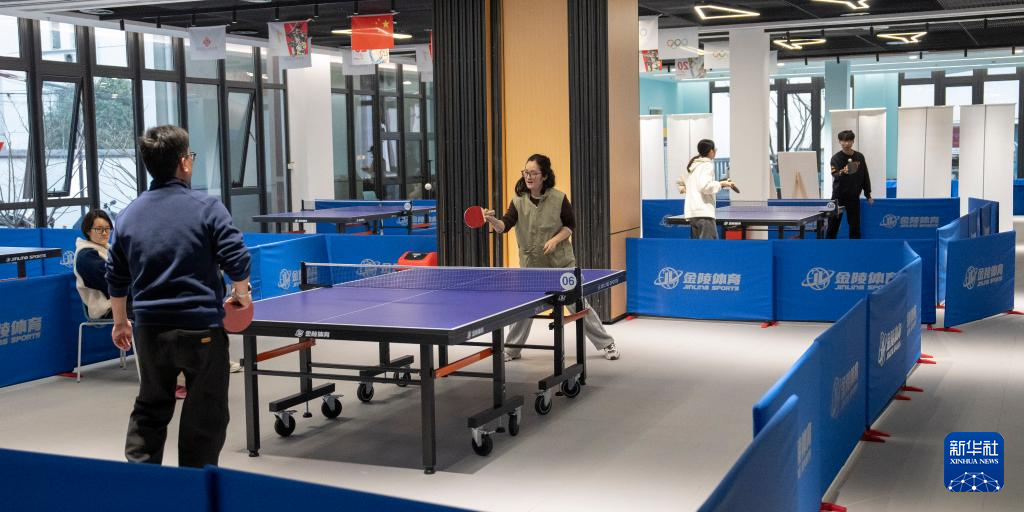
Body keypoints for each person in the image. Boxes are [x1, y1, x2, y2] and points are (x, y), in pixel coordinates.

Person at [106, 125, 252, 468]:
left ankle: (143, 483)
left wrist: (120, 322)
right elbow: (237, 259)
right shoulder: (206, 207)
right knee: (205, 413)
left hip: (149, 330)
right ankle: (194, 486)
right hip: (200, 327)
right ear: (184, 162)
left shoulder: (127, 215)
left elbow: (116, 276)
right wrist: (241, 294)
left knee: (150, 407)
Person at [482, 154, 620, 361]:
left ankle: (607, 343)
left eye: (533, 173)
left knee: (578, 305)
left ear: (544, 175)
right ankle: (511, 349)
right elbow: (504, 226)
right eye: (526, 172)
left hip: (560, 266)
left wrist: (555, 240)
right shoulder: (518, 201)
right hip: (532, 267)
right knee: (523, 308)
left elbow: (570, 226)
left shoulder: (559, 198)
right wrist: (492, 220)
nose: (528, 177)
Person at [682, 139, 734, 239]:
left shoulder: (695, 166)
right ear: (711, 151)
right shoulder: (707, 165)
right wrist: (721, 184)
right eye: (715, 149)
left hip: (693, 214)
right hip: (704, 214)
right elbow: (705, 187)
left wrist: (720, 184)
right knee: (710, 247)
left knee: (698, 247)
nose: (715, 151)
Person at [826, 130, 873, 239]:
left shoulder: (860, 157)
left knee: (855, 227)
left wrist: (868, 194)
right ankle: (828, 246)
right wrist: (843, 172)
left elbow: (865, 175)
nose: (846, 143)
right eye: (843, 141)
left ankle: (855, 247)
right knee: (832, 226)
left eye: (849, 141)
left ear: (853, 141)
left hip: (853, 197)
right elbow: (835, 174)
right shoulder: (835, 158)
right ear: (839, 142)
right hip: (838, 197)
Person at [74, 209, 115, 319]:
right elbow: (113, 284)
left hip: (121, 300)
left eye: (107, 229)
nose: (104, 233)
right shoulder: (86, 256)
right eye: (99, 229)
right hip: (108, 308)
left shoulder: (109, 250)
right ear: (88, 231)